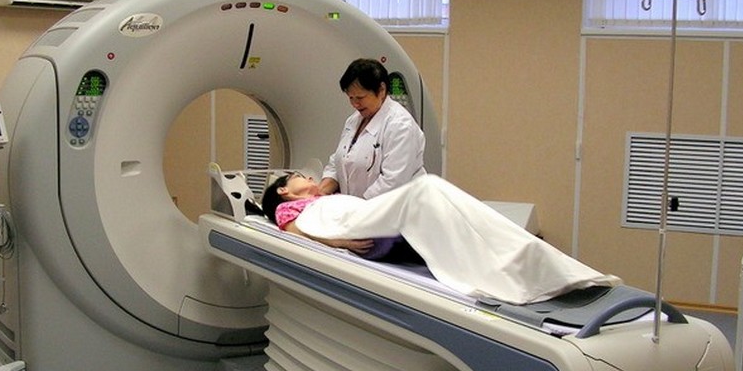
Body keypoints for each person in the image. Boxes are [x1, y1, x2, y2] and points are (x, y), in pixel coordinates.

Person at [261, 173, 621, 304]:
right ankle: (523, 265)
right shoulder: (290, 210)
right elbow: (295, 233)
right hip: (353, 225)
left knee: (446, 202)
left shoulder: (322, 197)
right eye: (299, 176)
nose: (309, 177)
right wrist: (338, 244)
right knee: (426, 190)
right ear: (284, 191)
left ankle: (534, 255)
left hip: (363, 215)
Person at [319, 58, 427, 199]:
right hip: (357, 207)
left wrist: (357, 207)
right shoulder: (353, 121)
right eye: (351, 98)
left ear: (381, 90)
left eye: (360, 97)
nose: (355, 104)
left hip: (391, 207)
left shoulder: (400, 126)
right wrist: (321, 191)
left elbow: (393, 182)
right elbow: (339, 161)